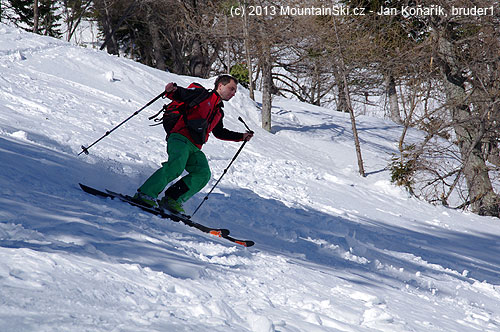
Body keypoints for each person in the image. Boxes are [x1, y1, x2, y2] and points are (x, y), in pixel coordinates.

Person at [134, 75, 253, 213]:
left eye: (235, 91)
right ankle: (145, 194)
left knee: (203, 174)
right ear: (220, 86)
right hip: (180, 137)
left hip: (195, 147)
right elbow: (183, 94)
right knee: (175, 167)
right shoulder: (202, 95)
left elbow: (219, 132)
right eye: (231, 89)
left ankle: (172, 199)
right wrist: (172, 90)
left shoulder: (218, 111)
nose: (233, 93)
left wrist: (241, 137)